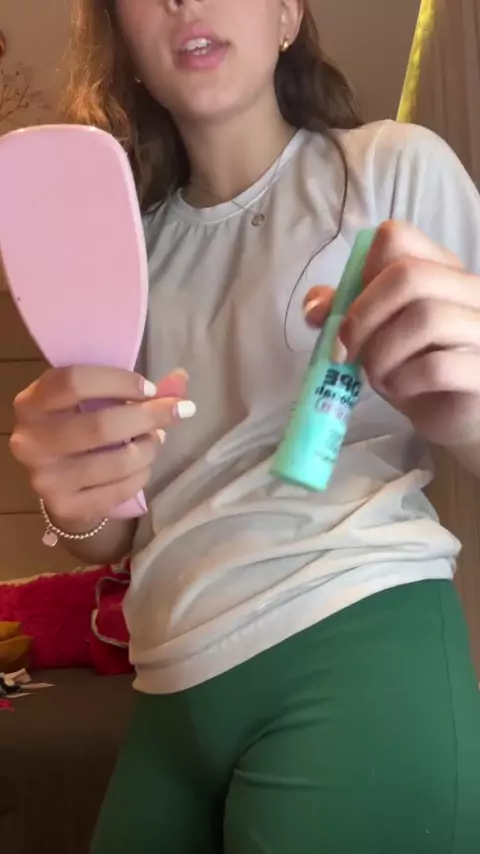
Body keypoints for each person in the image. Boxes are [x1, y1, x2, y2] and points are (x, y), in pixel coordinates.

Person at [10, 0, 480, 851]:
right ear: (123, 38)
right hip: (168, 685)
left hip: (353, 640)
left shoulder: (393, 169)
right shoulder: (128, 253)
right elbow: (114, 532)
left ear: (288, 13)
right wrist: (73, 497)